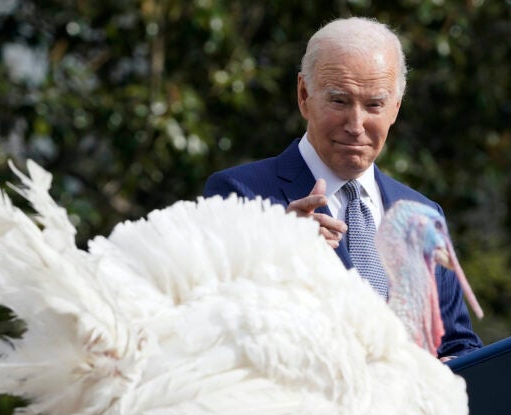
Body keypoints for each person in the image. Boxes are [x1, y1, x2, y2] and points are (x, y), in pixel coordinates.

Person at [203, 17, 482, 358]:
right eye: (339, 101)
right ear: (304, 95)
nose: (355, 124)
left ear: (395, 107)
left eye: (374, 105)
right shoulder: (241, 195)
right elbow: (210, 328)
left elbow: (458, 345)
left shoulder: (422, 214)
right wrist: (276, 254)